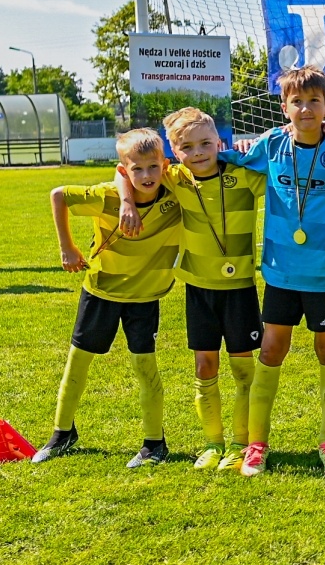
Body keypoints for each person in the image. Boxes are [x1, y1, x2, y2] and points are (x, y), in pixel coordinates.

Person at [216, 66, 325, 477]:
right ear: (284, 106)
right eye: (297, 101)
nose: (305, 108)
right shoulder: (272, 144)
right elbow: (228, 158)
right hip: (281, 271)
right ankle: (257, 445)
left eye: (314, 101)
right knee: (272, 350)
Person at [113, 107, 265, 471]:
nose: (198, 153)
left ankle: (241, 445)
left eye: (205, 144)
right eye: (187, 147)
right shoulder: (174, 178)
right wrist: (125, 201)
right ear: (174, 154)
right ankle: (213, 443)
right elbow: (123, 171)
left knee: (244, 370)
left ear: (218, 141)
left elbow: (281, 167)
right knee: (204, 366)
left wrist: (251, 146)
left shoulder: (244, 173)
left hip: (240, 287)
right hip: (198, 289)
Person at [32, 128, 182, 467]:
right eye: (137, 169)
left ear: (166, 165)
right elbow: (59, 195)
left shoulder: (176, 190)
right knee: (78, 362)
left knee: (146, 367)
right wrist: (67, 247)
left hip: (146, 296)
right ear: (124, 171)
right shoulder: (107, 197)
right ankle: (62, 433)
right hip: (100, 291)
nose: (147, 176)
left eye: (153, 168)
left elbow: (205, 166)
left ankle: (154, 444)